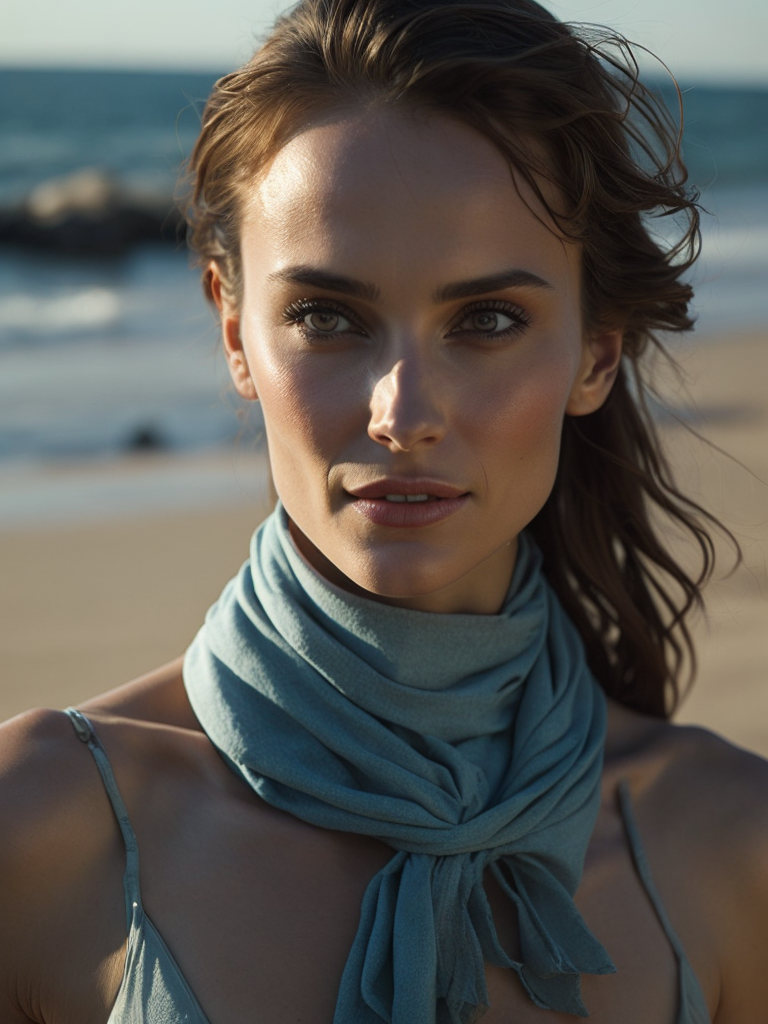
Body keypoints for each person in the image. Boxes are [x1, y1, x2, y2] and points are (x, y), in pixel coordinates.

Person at [1, 0, 767, 1021]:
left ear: (596, 352)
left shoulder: (728, 841)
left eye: (488, 320)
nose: (403, 413)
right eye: (327, 317)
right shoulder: (43, 825)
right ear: (235, 332)